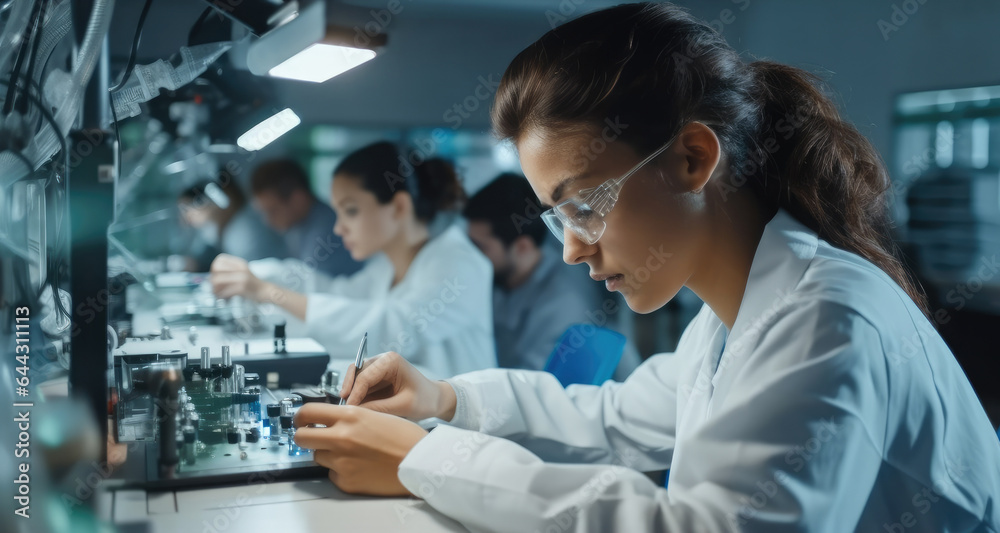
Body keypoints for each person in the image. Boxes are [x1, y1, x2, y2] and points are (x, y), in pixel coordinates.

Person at [289, 4, 1000, 532]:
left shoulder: (827, 320)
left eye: (585, 204)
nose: (571, 248)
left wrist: (426, 459)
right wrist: (444, 399)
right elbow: (617, 415)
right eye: (556, 216)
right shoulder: (731, 318)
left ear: (692, 158)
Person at [211, 142, 496, 378]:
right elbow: (336, 293)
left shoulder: (459, 264)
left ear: (398, 207)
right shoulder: (386, 266)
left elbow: (392, 330)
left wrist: (266, 291)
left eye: (351, 211)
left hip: (461, 434)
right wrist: (263, 276)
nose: (338, 228)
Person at [464, 173, 603, 370]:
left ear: (522, 247)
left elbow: (529, 389)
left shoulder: (563, 304)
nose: (469, 256)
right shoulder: (501, 279)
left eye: (480, 247)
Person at [250, 158, 363, 278]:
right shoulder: (297, 225)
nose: (268, 221)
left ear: (298, 199)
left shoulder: (324, 235)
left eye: (273, 211)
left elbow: (318, 291)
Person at [177, 173, 286, 270]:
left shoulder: (243, 231)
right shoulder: (214, 229)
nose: (186, 217)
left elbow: (251, 272)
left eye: (187, 209)